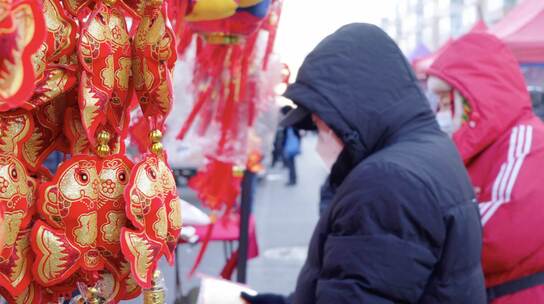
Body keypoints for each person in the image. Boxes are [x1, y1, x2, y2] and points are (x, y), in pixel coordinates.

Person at [242, 23, 486, 304]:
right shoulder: (430, 150)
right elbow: (366, 283)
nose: (321, 139)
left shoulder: (387, 182)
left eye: (322, 126)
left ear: (348, 109)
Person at [427, 32, 544, 304]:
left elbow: (498, 236)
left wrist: (424, 244)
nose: (442, 112)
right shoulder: (476, 146)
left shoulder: (527, 140)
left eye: (447, 100)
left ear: (473, 97)